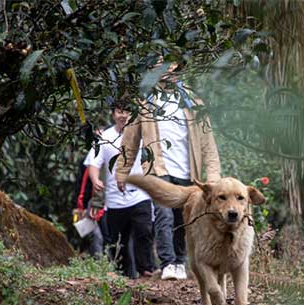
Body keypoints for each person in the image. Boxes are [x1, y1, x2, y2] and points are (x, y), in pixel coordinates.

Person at [115, 61, 221, 280]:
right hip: (158, 168)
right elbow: (130, 142)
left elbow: (207, 144)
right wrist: (121, 172)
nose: (168, 74)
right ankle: (168, 263)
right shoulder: (144, 104)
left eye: (173, 69)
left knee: (183, 218)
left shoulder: (193, 103)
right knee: (163, 215)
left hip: (188, 172)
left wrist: (213, 177)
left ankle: (180, 262)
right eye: (162, 70)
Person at [87, 104, 155, 279]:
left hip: (141, 193)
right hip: (115, 199)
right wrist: (95, 180)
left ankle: (146, 269)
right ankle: (124, 275)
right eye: (119, 111)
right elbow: (93, 163)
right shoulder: (105, 137)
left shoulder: (142, 134)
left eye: (127, 111)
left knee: (144, 230)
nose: (123, 115)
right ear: (113, 114)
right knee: (119, 240)